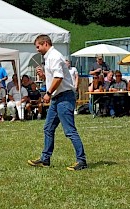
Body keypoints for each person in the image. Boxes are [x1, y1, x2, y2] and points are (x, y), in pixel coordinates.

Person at [27, 35, 87, 171]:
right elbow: (55, 76)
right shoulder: (48, 57)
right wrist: (43, 76)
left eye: (38, 46)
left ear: (46, 43)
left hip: (64, 97)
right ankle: (45, 159)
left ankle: (81, 160)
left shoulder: (54, 56)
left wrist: (48, 94)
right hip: (57, 98)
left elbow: (59, 78)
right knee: (48, 128)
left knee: (70, 131)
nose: (37, 50)